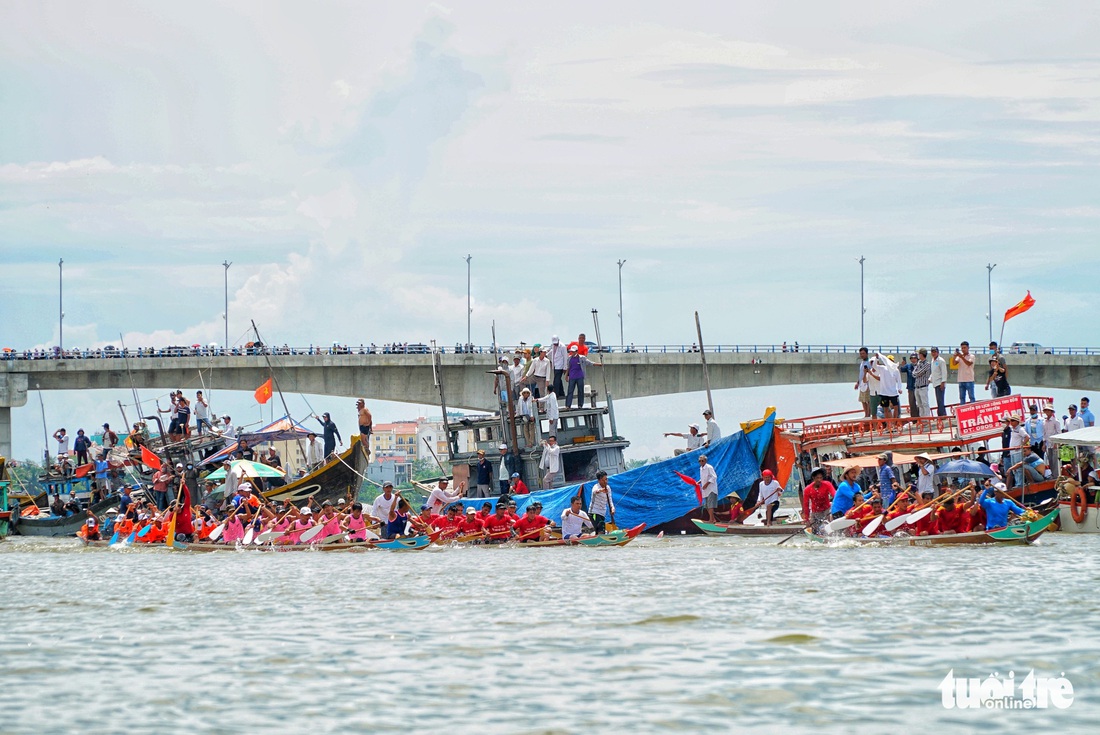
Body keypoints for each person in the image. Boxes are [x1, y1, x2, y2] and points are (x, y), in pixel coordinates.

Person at [801, 467, 835, 532]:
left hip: (827, 510)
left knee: (828, 528)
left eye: (821, 478)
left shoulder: (827, 484)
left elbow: (834, 495)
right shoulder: (807, 489)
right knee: (815, 530)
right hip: (815, 512)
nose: (819, 480)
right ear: (813, 478)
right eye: (817, 478)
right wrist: (807, 519)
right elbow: (806, 505)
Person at [565, 345, 594, 409]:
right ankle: (568, 405)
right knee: (570, 391)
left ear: (576, 351)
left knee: (580, 391)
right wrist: (566, 375)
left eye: (573, 351)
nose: (571, 353)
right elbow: (568, 367)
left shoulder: (581, 358)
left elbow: (589, 363)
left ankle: (580, 405)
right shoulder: (569, 358)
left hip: (580, 376)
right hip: (572, 377)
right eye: (571, 351)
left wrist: (597, 364)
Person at [698, 454, 719, 523]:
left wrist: (707, 484)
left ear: (705, 461)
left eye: (702, 461)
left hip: (711, 489)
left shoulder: (709, 467)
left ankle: (711, 520)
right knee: (706, 505)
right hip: (705, 490)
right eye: (699, 461)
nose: (701, 462)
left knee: (710, 505)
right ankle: (713, 519)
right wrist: (700, 481)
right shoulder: (701, 469)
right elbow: (703, 477)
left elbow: (714, 477)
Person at [929, 347, 948, 417]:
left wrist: (943, 382)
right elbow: (933, 372)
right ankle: (941, 414)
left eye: (935, 352)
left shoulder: (941, 360)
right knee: (938, 400)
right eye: (932, 352)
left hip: (940, 383)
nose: (933, 353)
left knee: (940, 400)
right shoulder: (932, 361)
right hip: (935, 383)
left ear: (938, 352)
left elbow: (944, 372)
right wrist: (930, 379)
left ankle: (942, 414)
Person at [855, 347, 872, 417]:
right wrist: (858, 382)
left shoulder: (870, 362)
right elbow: (861, 374)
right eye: (861, 354)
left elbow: (871, 373)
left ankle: (868, 415)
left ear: (867, 354)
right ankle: (866, 414)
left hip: (868, 384)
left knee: (868, 400)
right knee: (863, 400)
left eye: (863, 353)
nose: (862, 355)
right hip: (862, 384)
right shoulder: (862, 363)